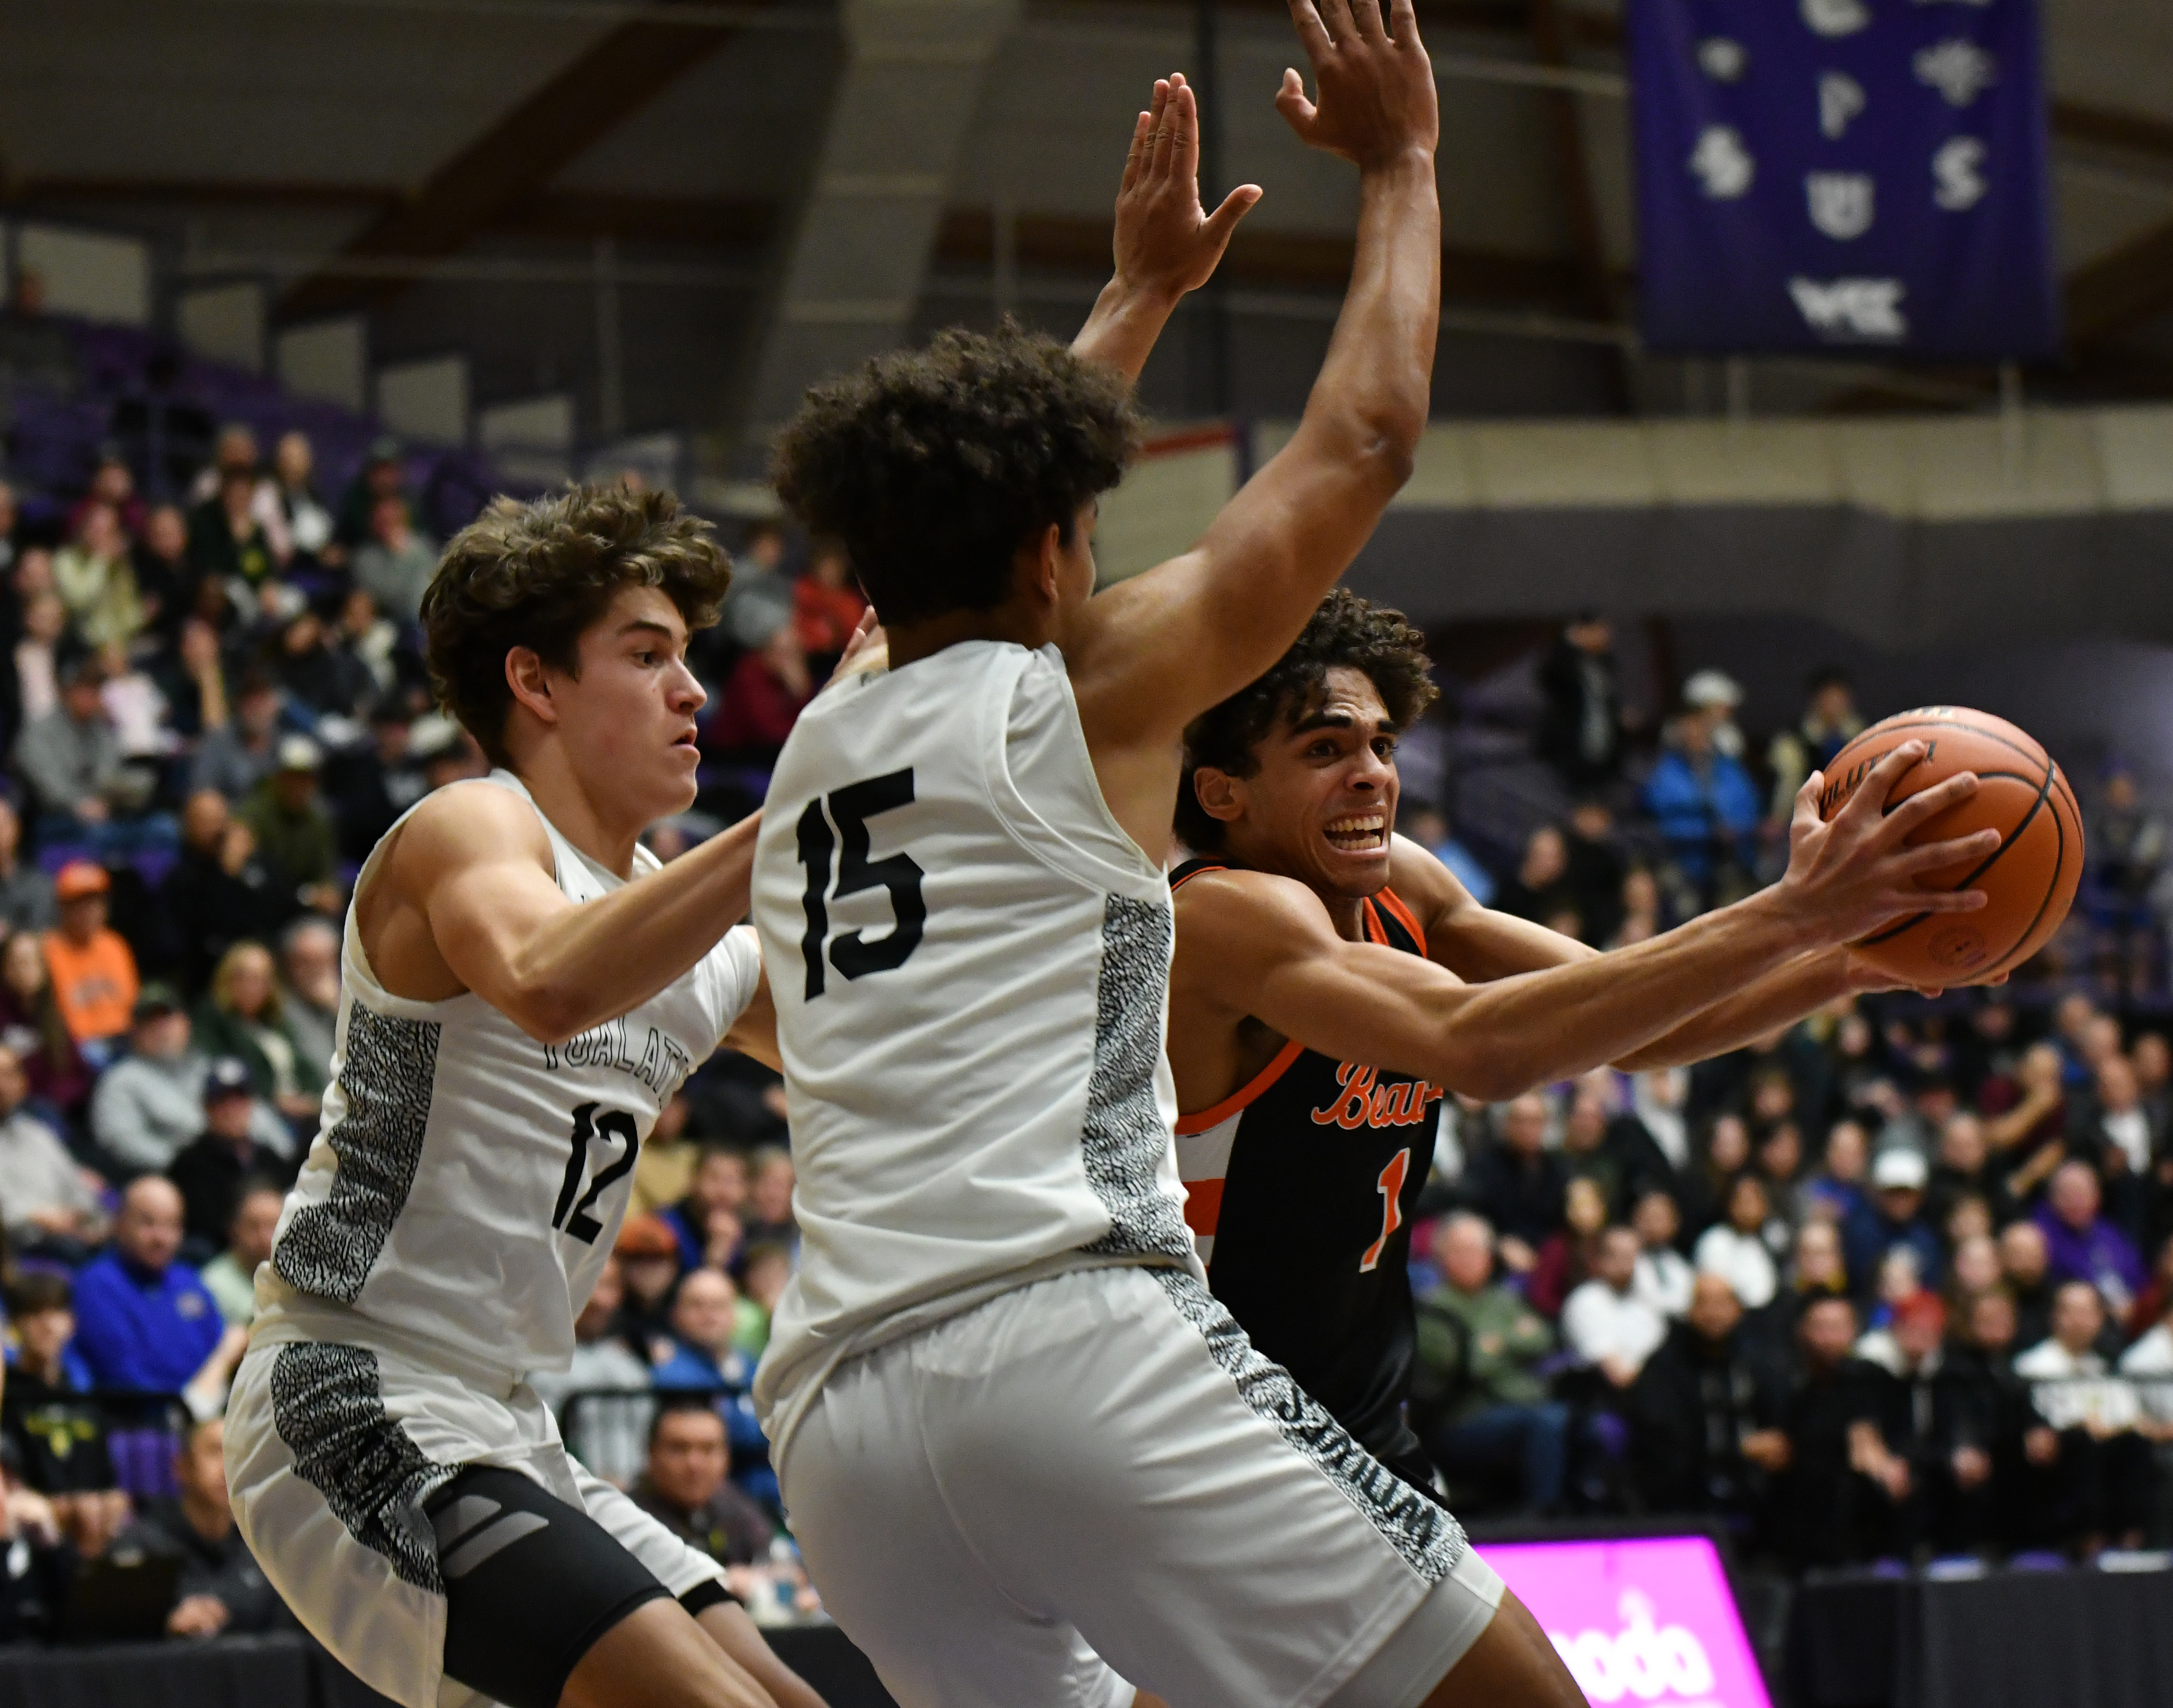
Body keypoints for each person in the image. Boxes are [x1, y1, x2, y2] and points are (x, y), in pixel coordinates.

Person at [746, 24, 1602, 1702]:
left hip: (838, 1424)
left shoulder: (825, 731)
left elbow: (981, 504)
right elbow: (1361, 440)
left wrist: (1132, 300)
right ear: (1053, 548)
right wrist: (1404, 169)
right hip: (1058, 1338)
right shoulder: (1088, 688)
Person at [221, 476, 825, 1708]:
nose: (692, 691)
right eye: (646, 655)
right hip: (351, 1384)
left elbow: (897, 1052)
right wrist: (794, 810)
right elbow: (549, 983)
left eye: (688, 658)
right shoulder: (470, 829)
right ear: (536, 685)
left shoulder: (696, 936)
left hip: (509, 1421)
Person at [1411, 1214, 1570, 1514]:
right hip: (1462, 1417)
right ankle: (1542, 1520)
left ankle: (1594, 1514)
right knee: (1546, 1423)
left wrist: (1496, 1343)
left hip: (1521, 1402)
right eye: (1463, 1251)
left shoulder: (1504, 1298)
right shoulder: (1432, 1308)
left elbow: (1542, 1339)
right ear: (1443, 1256)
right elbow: (1467, 1366)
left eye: (1481, 1250)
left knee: (1579, 1421)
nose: (1474, 1259)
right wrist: (1510, 1342)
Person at [1628, 1272, 1788, 1520]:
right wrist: (1738, 1452)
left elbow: (1780, 1415)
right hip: (1688, 1497)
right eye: (1704, 1303)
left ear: (1739, 1311)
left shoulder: (1757, 1361)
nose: (1713, 1313)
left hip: (1756, 1490)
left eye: (1723, 1303)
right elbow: (1664, 1443)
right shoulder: (1664, 1367)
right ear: (1689, 1311)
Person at [111, 1417, 289, 1639]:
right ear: (182, 1467)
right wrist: (166, 1625)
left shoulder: (263, 1549)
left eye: (238, 1455)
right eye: (215, 1452)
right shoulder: (142, 1546)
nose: (228, 1467)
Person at [2013, 1281, 2156, 1552]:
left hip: (2107, 1448)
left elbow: (2129, 1415)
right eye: (2071, 1312)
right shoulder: (2032, 1366)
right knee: (2082, 1442)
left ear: (2100, 1319)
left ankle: (2132, 1543)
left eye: (2088, 1312)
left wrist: (2110, 1428)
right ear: (2055, 1317)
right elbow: (2043, 1419)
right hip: (2063, 1455)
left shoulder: (2104, 1366)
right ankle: (2089, 1543)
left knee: (2136, 1444)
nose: (2080, 1321)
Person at [71, 1176, 242, 1395]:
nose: (161, 1237)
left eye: (172, 1225)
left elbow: (217, 1344)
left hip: (206, 1410)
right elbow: (124, 1375)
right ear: (120, 1223)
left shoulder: (188, 1280)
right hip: (135, 1418)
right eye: (148, 1223)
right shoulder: (97, 1285)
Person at [1, 1270, 129, 1556]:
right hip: (30, 1518)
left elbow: (106, 1480)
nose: (47, 1325)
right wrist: (62, 1507)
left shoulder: (85, 1402)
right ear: (14, 1326)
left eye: (56, 1312)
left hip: (90, 1519)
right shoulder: (7, 1397)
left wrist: (111, 1501)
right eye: (34, 1314)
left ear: (71, 1323)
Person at [166, 1057, 301, 1255]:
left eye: (240, 1100)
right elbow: (207, 1228)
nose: (232, 1110)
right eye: (223, 1101)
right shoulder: (189, 1165)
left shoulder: (268, 1156)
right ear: (207, 1108)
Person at [631, 1400, 777, 1574]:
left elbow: (777, 1563)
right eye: (679, 1449)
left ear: (727, 1458)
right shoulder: (630, 1518)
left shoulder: (734, 1504)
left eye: (708, 1449)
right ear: (651, 1454)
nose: (694, 1464)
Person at [193, 939, 325, 1123]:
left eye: (262, 978)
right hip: (256, 1115)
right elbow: (225, 1071)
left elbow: (306, 1067)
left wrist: (312, 1098)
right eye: (246, 977)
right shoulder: (214, 1021)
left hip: (300, 1111)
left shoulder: (276, 1022)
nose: (254, 986)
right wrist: (275, 1101)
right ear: (228, 979)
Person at [0, 1041, 104, 1255]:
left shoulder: (39, 1133)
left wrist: (80, 1215)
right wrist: (37, 1218)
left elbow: (76, 1186)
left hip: (69, 1232)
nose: (3, 1085)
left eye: (10, 1074)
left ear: (23, 1083)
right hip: (19, 1245)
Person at [41, 860, 139, 1055]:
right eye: (79, 904)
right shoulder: (48, 949)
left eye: (95, 902)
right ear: (63, 908)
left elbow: (131, 1006)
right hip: (77, 1045)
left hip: (122, 1039)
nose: (88, 911)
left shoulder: (115, 945)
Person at [1561, 1225, 1667, 1391]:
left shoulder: (1646, 1298)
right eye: (1616, 1256)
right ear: (1599, 1259)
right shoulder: (1585, 1301)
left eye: (1631, 1255)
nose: (1625, 1264)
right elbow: (1618, 1376)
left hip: (1652, 1392)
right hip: (1604, 1400)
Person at [2035, 1159, 2145, 1319]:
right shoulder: (2042, 1233)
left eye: (2081, 1194)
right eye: (2066, 1194)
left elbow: (2139, 1278)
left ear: (2097, 1196)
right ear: (2052, 1199)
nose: (2074, 1202)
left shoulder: (2109, 1231)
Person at [201, 1178, 286, 1327]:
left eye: (274, 1226)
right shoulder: (212, 1286)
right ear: (233, 1229)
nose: (265, 1238)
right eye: (253, 1227)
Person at [0, 795, 57, 933]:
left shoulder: (37, 884)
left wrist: (9, 934)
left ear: (16, 829)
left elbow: (42, 932)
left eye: (1, 827)